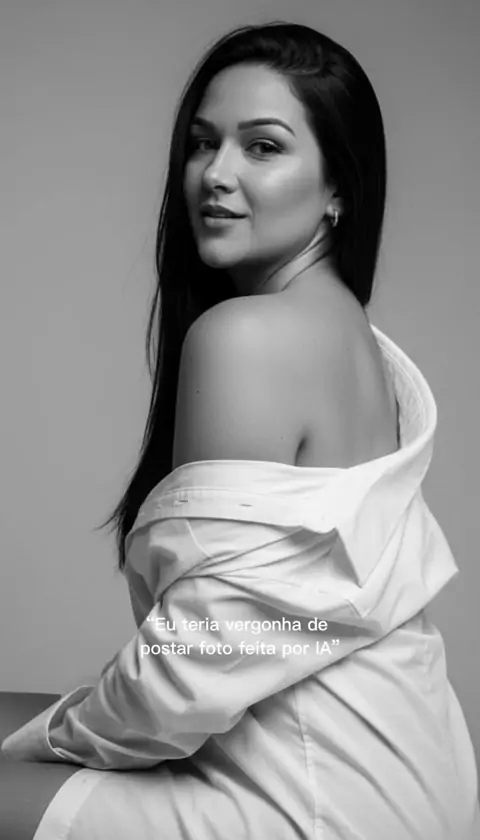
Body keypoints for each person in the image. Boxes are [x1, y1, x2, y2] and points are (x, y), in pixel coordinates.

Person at [1, 20, 479, 840]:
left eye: (262, 147)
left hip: (313, 798)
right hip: (408, 761)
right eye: (202, 143)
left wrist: (50, 744)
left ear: (338, 188)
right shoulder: (351, 335)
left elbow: (198, 659)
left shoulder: (245, 337)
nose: (215, 174)